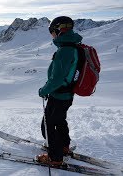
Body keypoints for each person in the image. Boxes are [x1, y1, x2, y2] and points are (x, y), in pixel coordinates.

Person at [37, 16, 82, 165]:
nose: (52, 36)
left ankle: (55, 158)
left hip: (59, 94)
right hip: (67, 94)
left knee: (47, 125)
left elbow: (56, 79)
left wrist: (44, 90)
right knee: (60, 121)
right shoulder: (74, 46)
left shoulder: (65, 50)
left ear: (58, 30)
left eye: (52, 32)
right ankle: (63, 147)